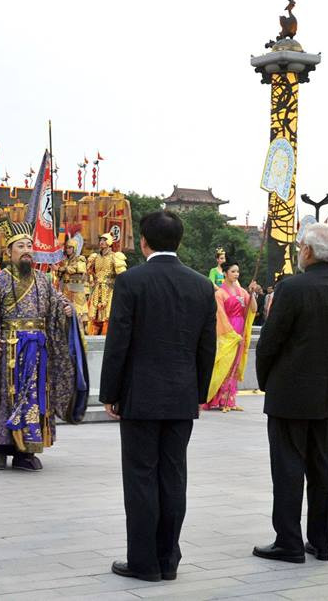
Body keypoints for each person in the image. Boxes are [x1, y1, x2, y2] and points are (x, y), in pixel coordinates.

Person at [99, 211, 216, 582]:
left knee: (140, 477)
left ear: (144, 242)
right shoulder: (200, 285)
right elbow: (207, 346)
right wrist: (199, 392)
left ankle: (143, 562)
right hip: (181, 397)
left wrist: (111, 393)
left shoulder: (131, 281)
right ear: (178, 242)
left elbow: (119, 342)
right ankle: (168, 559)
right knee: (173, 475)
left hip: (141, 395)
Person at [253, 224, 328, 564]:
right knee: (325, 468)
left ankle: (288, 540)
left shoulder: (291, 288)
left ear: (308, 252)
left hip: (290, 392)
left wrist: (267, 381)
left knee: (288, 467)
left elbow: (270, 341)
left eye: (300, 246)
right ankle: (321, 541)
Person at [0, 218, 87, 471]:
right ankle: (1, 447)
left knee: (35, 399)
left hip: (38, 353)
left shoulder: (43, 281)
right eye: (20, 246)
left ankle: (27, 451)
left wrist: (67, 311)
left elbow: (58, 305)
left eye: (28, 246)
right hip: (10, 349)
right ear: (9, 252)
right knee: (7, 399)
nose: (26, 251)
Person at [204, 255, 257, 412]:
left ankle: (230, 400)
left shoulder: (242, 292)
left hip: (240, 329)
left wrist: (252, 293)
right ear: (225, 273)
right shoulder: (220, 293)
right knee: (224, 365)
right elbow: (220, 316)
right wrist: (232, 334)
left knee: (236, 364)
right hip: (228, 332)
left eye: (238, 272)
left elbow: (252, 309)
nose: (236, 274)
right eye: (233, 271)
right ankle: (218, 399)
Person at [86, 233, 127, 335]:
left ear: (109, 242)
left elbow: (122, 275)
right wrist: (91, 279)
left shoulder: (115, 256)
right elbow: (90, 272)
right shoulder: (95, 257)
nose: (101, 242)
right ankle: (93, 336)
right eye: (100, 240)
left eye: (104, 240)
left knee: (108, 315)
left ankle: (107, 336)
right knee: (93, 315)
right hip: (97, 289)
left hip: (110, 289)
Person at [57, 235, 89, 330]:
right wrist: (59, 270)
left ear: (74, 248)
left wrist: (63, 268)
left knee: (78, 311)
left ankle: (81, 333)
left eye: (70, 247)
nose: (67, 249)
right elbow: (60, 275)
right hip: (66, 288)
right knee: (66, 311)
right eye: (66, 247)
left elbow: (77, 270)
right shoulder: (65, 261)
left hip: (76, 288)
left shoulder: (80, 259)